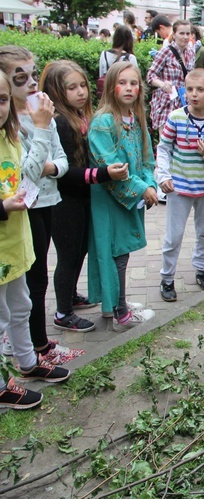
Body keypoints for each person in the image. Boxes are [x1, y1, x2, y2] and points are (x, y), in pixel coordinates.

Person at [39, 60, 128, 342]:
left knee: (79, 252)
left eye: (83, 86)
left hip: (81, 198)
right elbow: (64, 174)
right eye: (71, 88)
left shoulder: (80, 116)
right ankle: (62, 313)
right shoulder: (61, 123)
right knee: (68, 256)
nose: (81, 92)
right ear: (55, 91)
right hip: (64, 202)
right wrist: (101, 174)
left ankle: (70, 296)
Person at [0, 46, 77, 363]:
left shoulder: (39, 114)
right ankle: (31, 347)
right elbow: (25, 173)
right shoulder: (17, 125)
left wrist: (51, 164)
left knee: (35, 279)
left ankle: (34, 346)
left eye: (34, 75)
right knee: (29, 283)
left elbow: (59, 162)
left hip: (46, 201)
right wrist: (43, 130)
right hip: (20, 211)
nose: (32, 83)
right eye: (22, 78)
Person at [88, 61, 157, 331]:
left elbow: (146, 159)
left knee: (123, 252)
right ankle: (120, 312)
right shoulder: (104, 122)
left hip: (132, 198)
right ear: (110, 87)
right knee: (115, 252)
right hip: (111, 199)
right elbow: (112, 165)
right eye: (123, 82)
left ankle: (118, 303)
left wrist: (150, 184)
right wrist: (143, 189)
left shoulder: (136, 118)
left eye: (134, 83)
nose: (129, 88)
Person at [155, 69, 204, 301]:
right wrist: (163, 176)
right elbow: (164, 148)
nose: (194, 94)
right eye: (189, 89)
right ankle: (167, 278)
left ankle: (201, 270)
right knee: (173, 236)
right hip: (179, 188)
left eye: (200, 90)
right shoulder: (176, 117)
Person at [147, 20, 195, 132]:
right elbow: (150, 75)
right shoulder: (165, 52)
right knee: (165, 141)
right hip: (166, 101)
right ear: (174, 35)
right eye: (182, 33)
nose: (185, 37)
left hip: (184, 101)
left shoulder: (190, 53)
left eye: (188, 33)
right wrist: (162, 84)